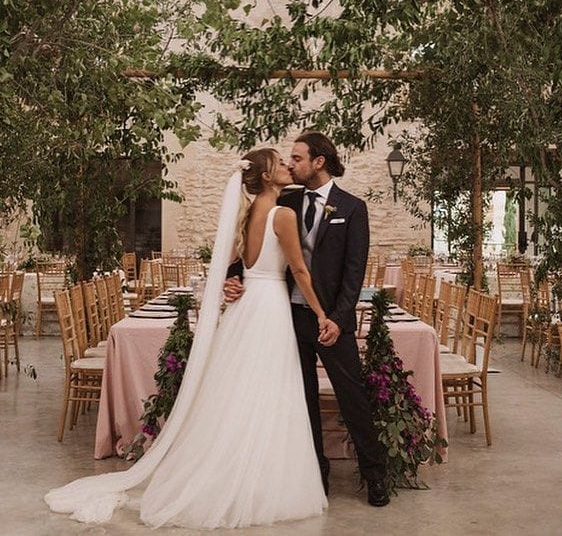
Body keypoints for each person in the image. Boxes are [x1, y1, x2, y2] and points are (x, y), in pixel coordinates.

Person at [45, 148, 330, 528]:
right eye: (279, 163)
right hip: (271, 305)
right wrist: (322, 313)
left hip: (248, 309)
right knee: (272, 390)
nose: (286, 167)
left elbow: (229, 265)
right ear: (265, 176)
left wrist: (231, 283)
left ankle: (235, 472)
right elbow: (298, 269)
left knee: (241, 392)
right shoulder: (284, 215)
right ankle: (260, 480)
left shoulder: (246, 218)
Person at [225, 131, 389, 507]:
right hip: (287, 316)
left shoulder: (352, 208)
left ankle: (374, 474)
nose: (291, 163)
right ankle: (316, 471)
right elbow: (247, 246)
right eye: (288, 160)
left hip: (331, 319)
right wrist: (231, 278)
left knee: (353, 396)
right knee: (302, 398)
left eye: (297, 158)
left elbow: (354, 272)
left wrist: (336, 318)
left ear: (319, 162)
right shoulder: (286, 200)